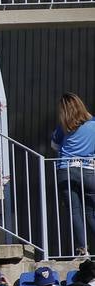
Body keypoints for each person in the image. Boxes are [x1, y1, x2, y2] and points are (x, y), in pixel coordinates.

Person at [51, 91, 95, 257]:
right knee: (91, 213)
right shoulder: (94, 124)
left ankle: (83, 250)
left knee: (75, 212)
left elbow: (54, 145)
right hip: (89, 170)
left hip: (67, 170)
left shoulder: (63, 126)